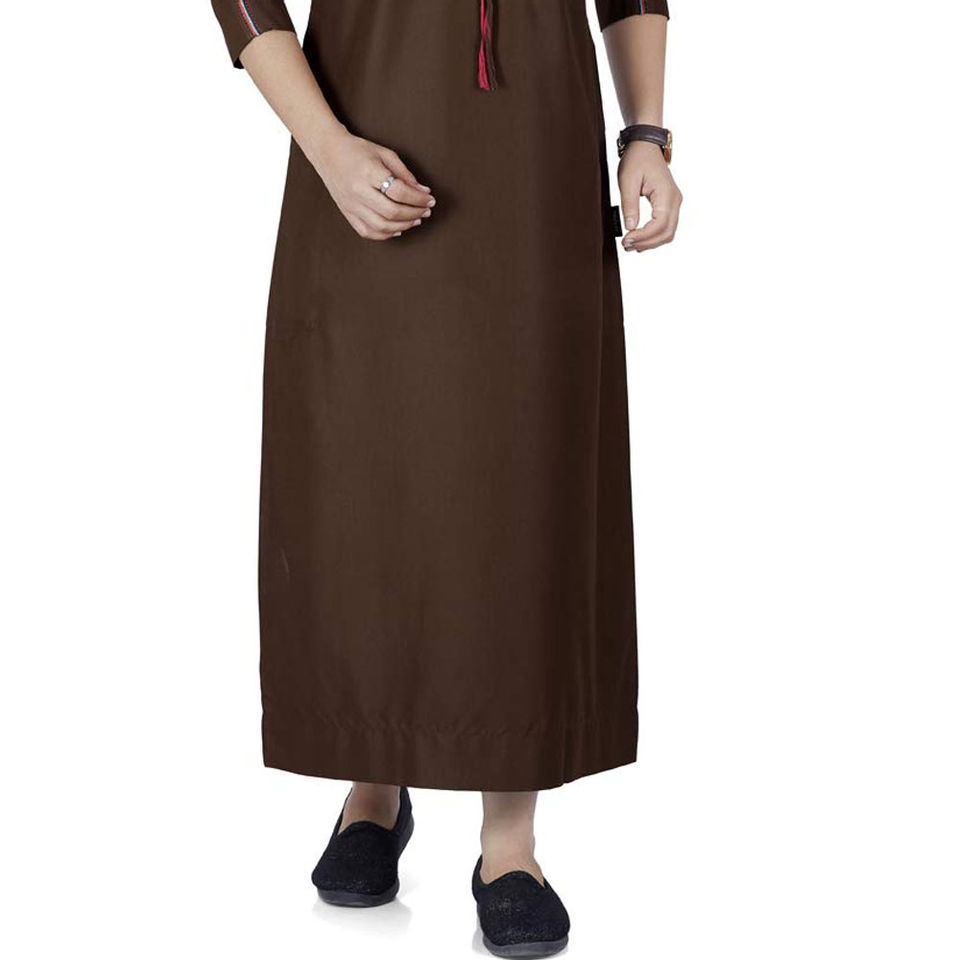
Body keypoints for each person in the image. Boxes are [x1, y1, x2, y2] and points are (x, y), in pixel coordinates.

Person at [210, 1, 682, 955]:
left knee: (523, 473)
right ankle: (371, 785)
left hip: (535, 162)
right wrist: (328, 148)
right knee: (362, 467)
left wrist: (646, 132)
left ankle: (510, 844)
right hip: (363, 144)